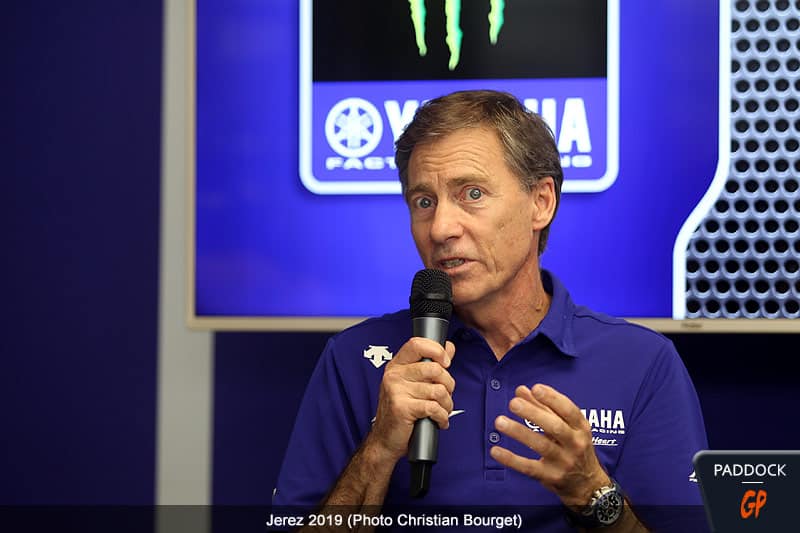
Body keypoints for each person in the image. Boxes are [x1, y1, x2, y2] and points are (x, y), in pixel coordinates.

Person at [272, 90, 708, 531]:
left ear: (541, 202)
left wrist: (593, 493)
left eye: (472, 193)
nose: (441, 228)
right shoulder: (355, 359)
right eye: (424, 202)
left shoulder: (641, 363)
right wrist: (378, 451)